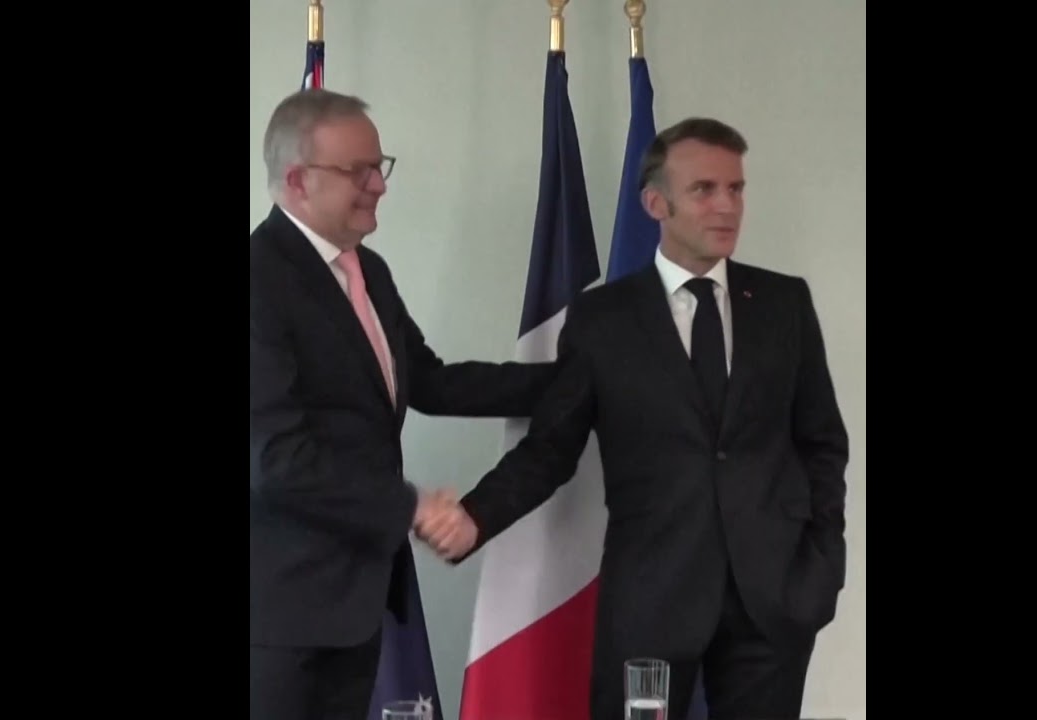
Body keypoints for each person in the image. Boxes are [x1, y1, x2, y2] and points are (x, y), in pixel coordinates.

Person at [418, 117, 849, 720]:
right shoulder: (603, 319)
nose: (727, 205)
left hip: (774, 598)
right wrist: (474, 517)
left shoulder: (784, 303)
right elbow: (551, 448)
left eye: (736, 188)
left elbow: (822, 442)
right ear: (655, 203)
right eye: (704, 189)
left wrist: (822, 563)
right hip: (652, 595)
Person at [250, 88, 557, 720]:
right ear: (299, 181)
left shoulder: (368, 271)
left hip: (350, 606)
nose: (379, 185)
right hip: (276, 614)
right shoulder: (258, 279)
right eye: (359, 170)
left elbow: (432, 383)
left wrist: (577, 381)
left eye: (380, 165)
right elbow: (274, 459)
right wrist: (412, 505)